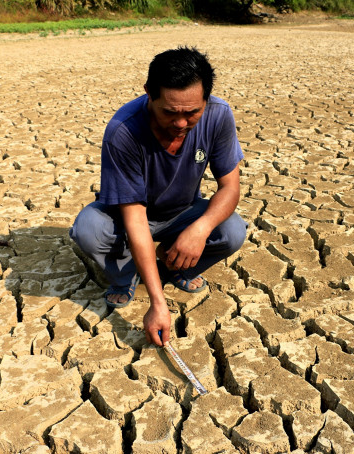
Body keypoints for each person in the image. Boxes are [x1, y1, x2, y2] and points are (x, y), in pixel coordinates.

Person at [69, 47, 247, 346]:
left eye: (192, 112)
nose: (181, 123)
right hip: (128, 216)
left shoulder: (218, 115)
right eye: (170, 112)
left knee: (232, 231)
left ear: (206, 100)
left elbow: (230, 187)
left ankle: (176, 264)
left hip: (182, 211)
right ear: (149, 93)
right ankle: (126, 277)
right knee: (89, 229)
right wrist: (158, 303)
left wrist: (199, 230)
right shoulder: (123, 131)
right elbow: (136, 219)